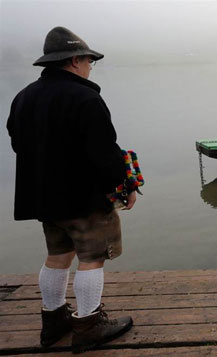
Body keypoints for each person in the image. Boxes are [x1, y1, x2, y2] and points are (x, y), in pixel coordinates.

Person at [6, 26, 135, 353]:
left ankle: (53, 321)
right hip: (85, 200)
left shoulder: (23, 97)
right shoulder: (86, 97)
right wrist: (127, 185)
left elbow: (18, 144)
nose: (91, 66)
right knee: (92, 258)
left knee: (57, 256)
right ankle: (89, 325)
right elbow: (105, 153)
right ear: (75, 60)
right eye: (90, 60)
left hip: (46, 199)